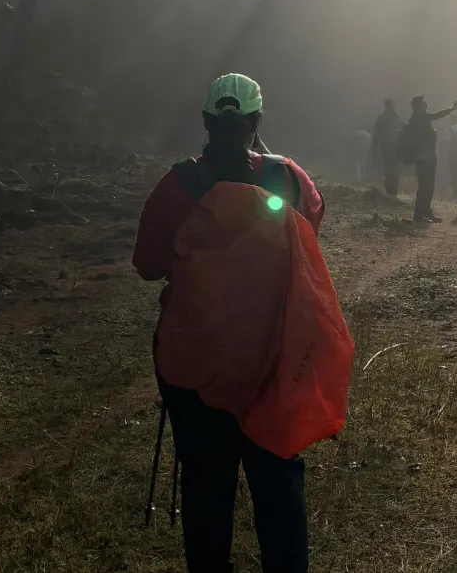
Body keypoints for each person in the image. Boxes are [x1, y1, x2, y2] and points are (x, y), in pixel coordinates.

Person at [133, 73, 329, 573]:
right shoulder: (289, 177)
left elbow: (148, 263)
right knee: (279, 481)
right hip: (276, 358)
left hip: (196, 362)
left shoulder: (178, 185)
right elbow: (313, 228)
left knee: (205, 485)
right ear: (257, 122)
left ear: (205, 121)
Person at [402, 95, 457, 222]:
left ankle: (424, 213)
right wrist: (452, 108)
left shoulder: (417, 119)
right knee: (425, 187)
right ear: (418, 106)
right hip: (424, 158)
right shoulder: (420, 118)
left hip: (426, 157)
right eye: (424, 103)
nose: (426, 105)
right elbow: (438, 115)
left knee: (427, 187)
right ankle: (420, 215)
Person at [370, 98, 403, 197]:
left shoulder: (384, 118)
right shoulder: (397, 118)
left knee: (391, 170)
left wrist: (375, 148)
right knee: (391, 170)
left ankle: (392, 192)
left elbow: (377, 134)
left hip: (391, 148)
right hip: (391, 148)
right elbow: (377, 134)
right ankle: (391, 192)